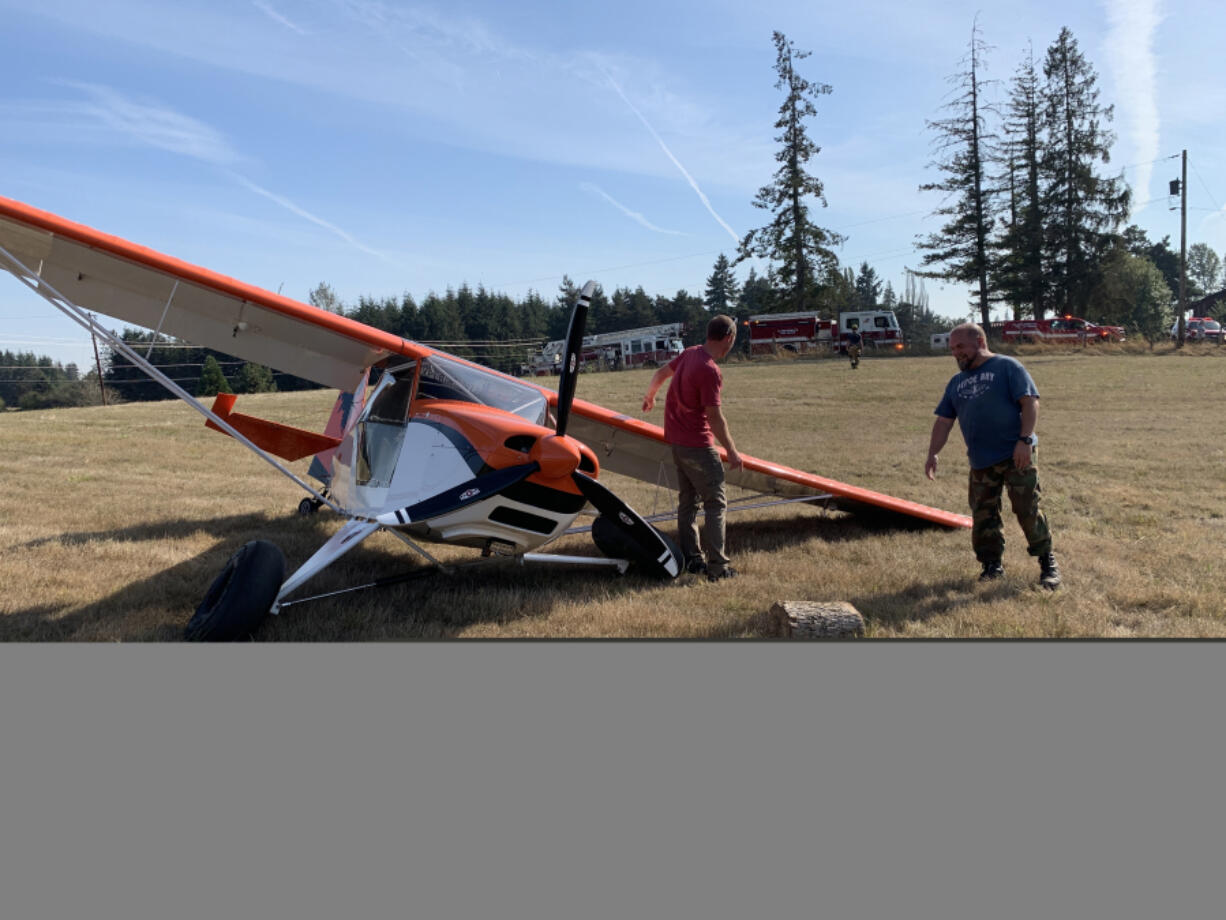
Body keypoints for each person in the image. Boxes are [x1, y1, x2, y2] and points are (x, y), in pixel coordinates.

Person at [924, 322, 1061, 589]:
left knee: (1027, 508)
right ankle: (991, 566)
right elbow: (943, 422)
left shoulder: (1007, 367)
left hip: (1016, 453)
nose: (956, 353)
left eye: (961, 346)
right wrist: (933, 453)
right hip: (981, 459)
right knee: (984, 513)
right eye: (952, 349)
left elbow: (1030, 402)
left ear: (980, 342)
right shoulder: (957, 382)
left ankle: (1048, 563)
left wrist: (1024, 440)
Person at [642, 314, 744, 581]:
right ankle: (718, 567)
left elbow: (661, 373)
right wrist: (732, 451)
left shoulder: (689, 354)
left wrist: (650, 395)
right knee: (715, 504)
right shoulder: (710, 369)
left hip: (677, 444)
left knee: (688, 503)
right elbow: (715, 418)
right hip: (698, 446)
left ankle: (692, 559)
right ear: (728, 338)